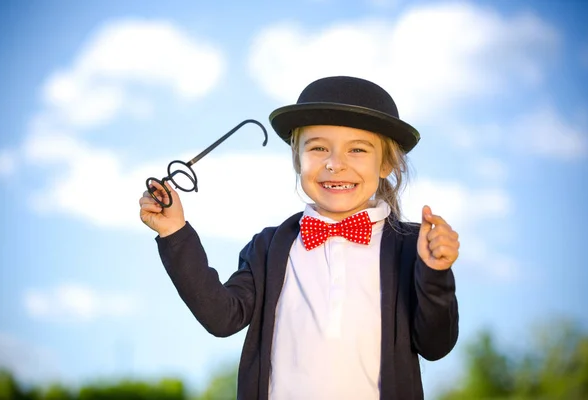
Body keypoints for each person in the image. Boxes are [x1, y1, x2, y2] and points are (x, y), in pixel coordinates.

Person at [139, 76, 460, 400]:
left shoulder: (413, 247)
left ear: (386, 163)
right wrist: (174, 232)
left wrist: (435, 274)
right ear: (297, 158)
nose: (335, 164)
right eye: (318, 147)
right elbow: (222, 317)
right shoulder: (268, 248)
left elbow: (435, 345)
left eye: (358, 149)